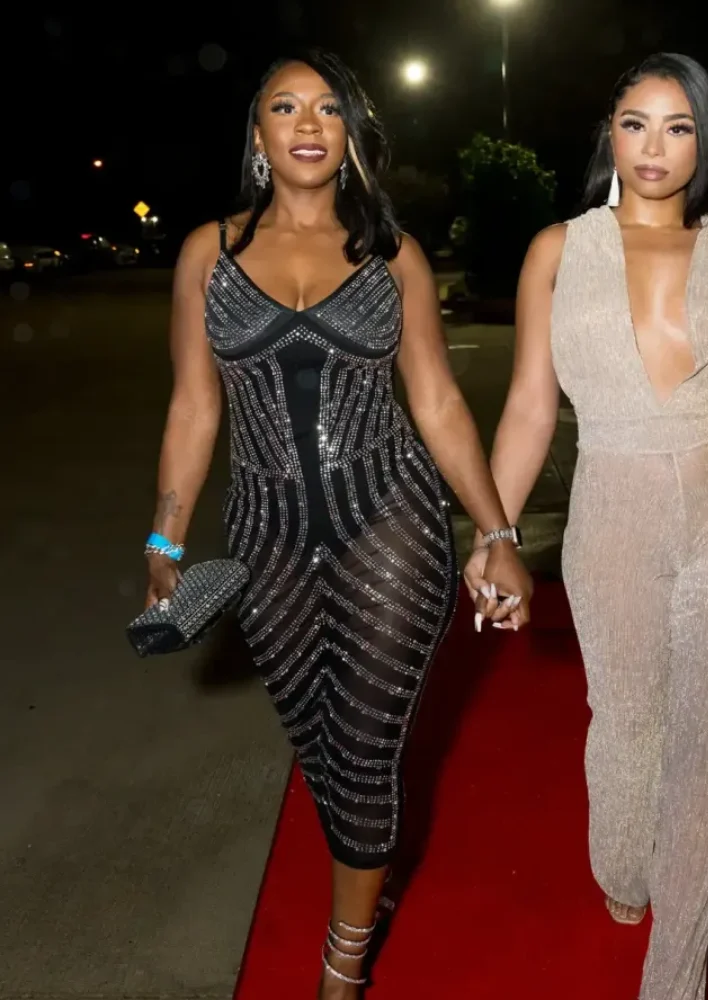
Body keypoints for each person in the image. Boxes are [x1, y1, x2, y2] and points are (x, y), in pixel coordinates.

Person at [145, 50, 532, 999]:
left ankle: (340, 968)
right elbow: (195, 408)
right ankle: (369, 883)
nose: (308, 123)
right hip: (266, 536)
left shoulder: (392, 255)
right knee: (320, 749)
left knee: (364, 751)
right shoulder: (211, 253)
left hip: (389, 526)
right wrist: (164, 541)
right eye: (285, 107)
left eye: (328, 108)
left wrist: (496, 534)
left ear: (351, 133)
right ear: (259, 136)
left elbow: (436, 400)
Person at [464, 53, 708, 1000]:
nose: (654, 147)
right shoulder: (559, 249)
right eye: (635, 123)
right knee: (626, 725)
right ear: (609, 132)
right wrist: (493, 535)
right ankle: (626, 874)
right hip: (615, 506)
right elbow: (526, 411)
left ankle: (670, 975)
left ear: (703, 142)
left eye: (679, 127)